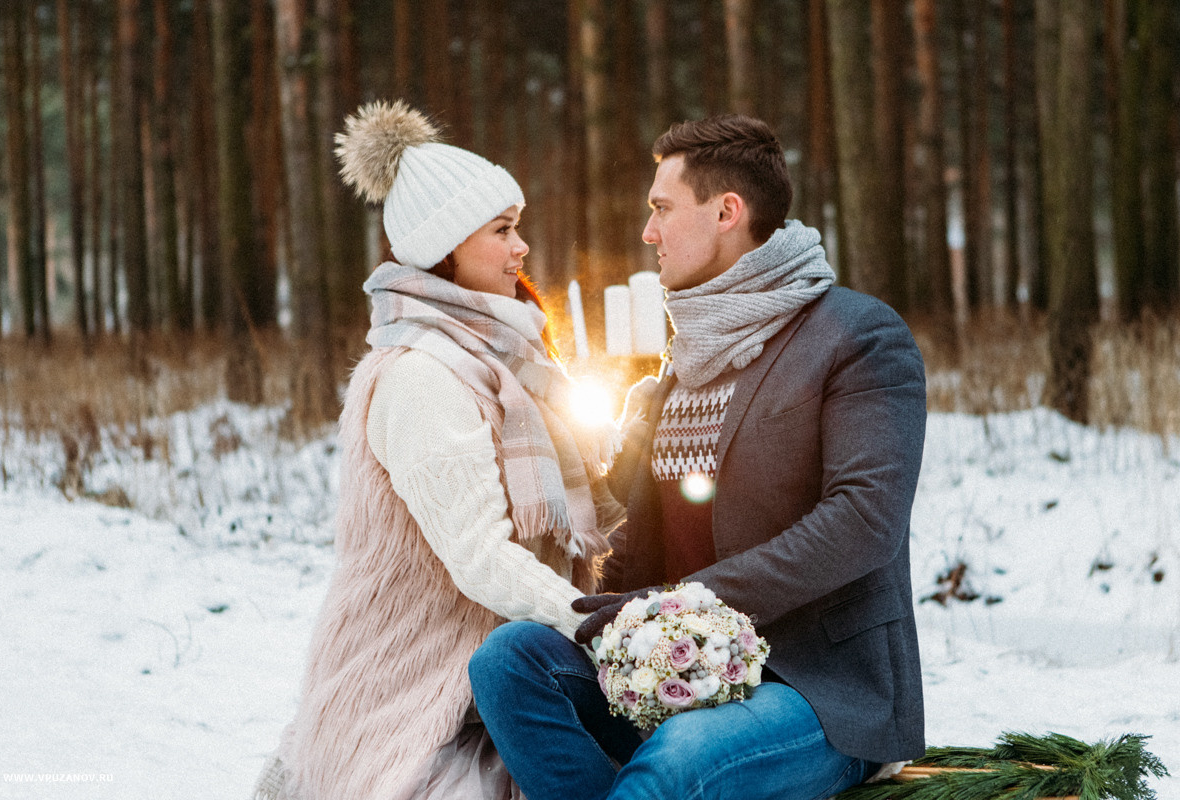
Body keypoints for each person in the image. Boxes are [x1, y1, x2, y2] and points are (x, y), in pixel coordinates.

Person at [468, 114, 928, 800]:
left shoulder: (855, 336)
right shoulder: (686, 359)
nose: (648, 232)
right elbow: (652, 540)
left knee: (681, 758)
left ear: (726, 212)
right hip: (675, 668)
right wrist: (610, 597)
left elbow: (863, 522)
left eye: (661, 209)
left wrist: (684, 604)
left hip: (814, 690)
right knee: (509, 662)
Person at [251, 100, 622, 800]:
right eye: (503, 231)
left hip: (494, 669)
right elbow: (478, 553)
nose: (522, 249)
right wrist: (594, 619)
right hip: (415, 679)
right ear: (445, 246)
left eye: (519, 229)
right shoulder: (423, 373)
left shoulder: (504, 358)